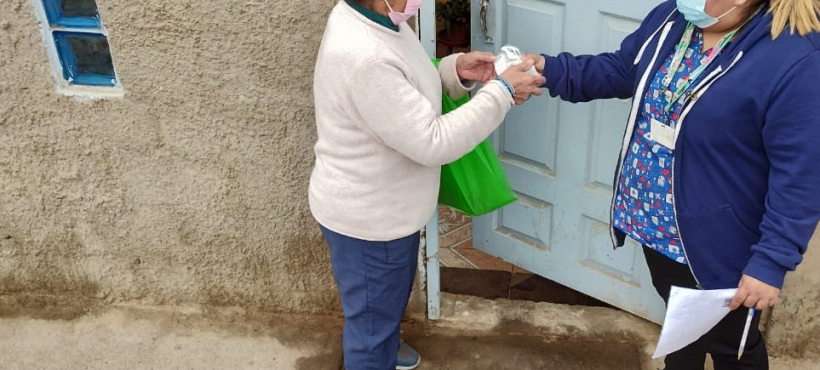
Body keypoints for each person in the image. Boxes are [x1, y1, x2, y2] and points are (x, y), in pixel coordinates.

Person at [522, 0, 820, 369]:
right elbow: (621, 69)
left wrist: (771, 262)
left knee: (732, 346)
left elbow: (801, 175)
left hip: (721, 244)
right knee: (681, 323)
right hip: (655, 224)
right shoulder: (673, 18)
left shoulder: (797, 57)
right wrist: (550, 69)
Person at [309, 0, 546, 369]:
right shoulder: (366, 56)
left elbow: (404, 89)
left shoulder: (375, 20)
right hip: (370, 224)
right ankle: (374, 353)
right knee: (371, 321)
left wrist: (456, 71)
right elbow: (432, 142)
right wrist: (501, 92)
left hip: (385, 212)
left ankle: (382, 338)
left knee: (385, 299)